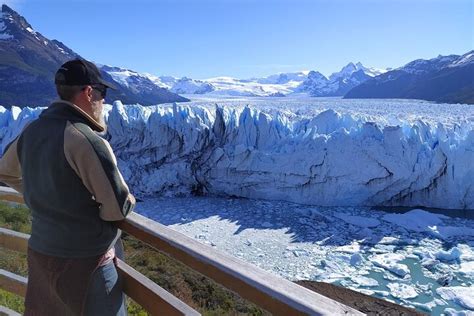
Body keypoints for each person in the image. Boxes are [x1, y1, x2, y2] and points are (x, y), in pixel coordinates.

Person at [0, 59, 136, 315]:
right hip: (86, 262)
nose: (103, 101)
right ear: (88, 92)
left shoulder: (32, 129)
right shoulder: (85, 139)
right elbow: (117, 208)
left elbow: (5, 172)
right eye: (102, 94)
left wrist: (42, 195)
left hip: (41, 253)